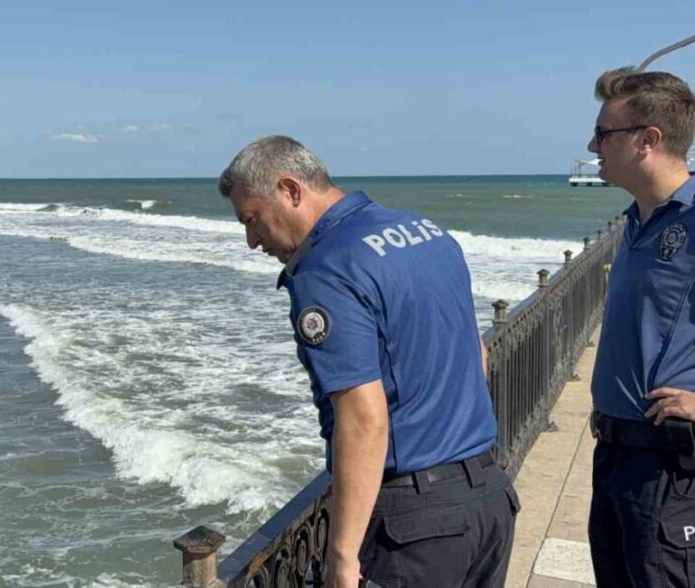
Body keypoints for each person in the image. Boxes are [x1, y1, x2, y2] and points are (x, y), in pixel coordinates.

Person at [218, 136, 517, 588]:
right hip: (488, 500)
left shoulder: (326, 270)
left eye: (253, 220)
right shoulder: (425, 232)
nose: (251, 241)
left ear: (290, 190)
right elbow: (475, 352)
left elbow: (362, 417)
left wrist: (341, 555)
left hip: (413, 528)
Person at [586, 67, 695, 587]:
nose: (593, 145)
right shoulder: (636, 219)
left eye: (604, 133)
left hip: (669, 466)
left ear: (648, 139)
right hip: (615, 458)